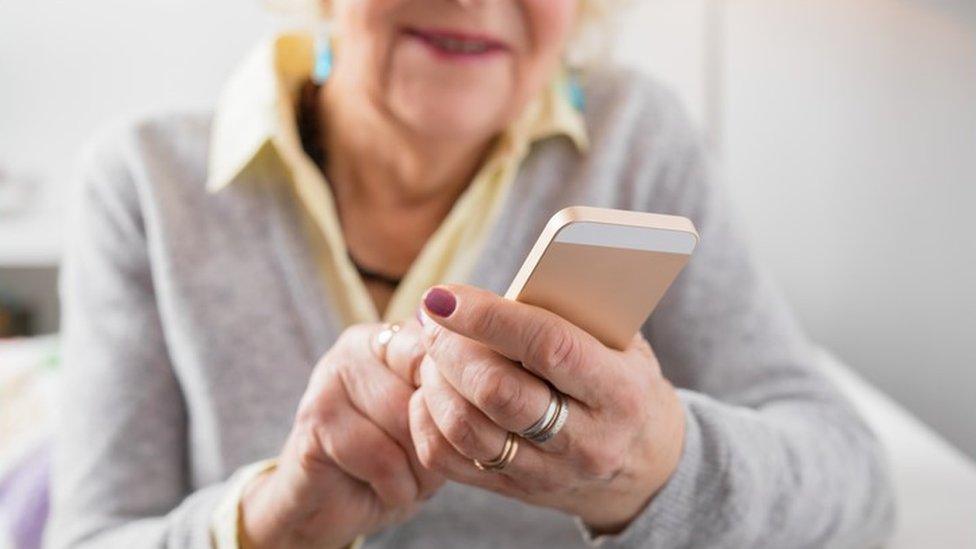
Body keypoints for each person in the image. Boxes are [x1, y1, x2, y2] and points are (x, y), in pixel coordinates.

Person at [48, 1, 895, 547]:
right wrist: (273, 524)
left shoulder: (637, 139)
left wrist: (655, 466)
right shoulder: (145, 181)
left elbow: (856, 487)